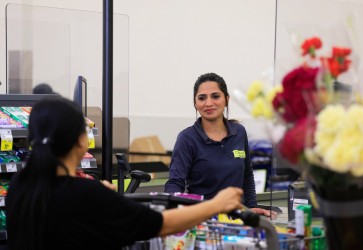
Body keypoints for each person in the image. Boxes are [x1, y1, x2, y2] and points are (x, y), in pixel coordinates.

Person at [5, 96, 243, 250]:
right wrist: (217, 204)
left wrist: (101, 197)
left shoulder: (20, 186)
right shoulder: (85, 194)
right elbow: (159, 224)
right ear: (80, 141)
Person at [164, 72, 274, 217]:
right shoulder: (187, 138)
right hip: (204, 221)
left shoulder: (239, 132)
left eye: (215, 96)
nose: (208, 103)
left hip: (238, 219)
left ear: (226, 100)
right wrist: (174, 212)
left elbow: (247, 174)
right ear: (195, 103)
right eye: (202, 98)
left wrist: (251, 206)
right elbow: (175, 183)